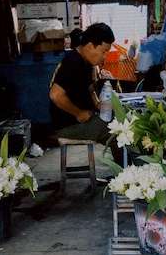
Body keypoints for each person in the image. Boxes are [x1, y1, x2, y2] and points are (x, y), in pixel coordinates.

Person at [49, 23, 118, 156]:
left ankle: (125, 170)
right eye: (103, 52)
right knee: (117, 131)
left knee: (118, 119)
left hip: (83, 120)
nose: (104, 57)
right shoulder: (73, 62)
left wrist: (98, 103)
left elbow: (90, 88)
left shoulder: (85, 62)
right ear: (91, 46)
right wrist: (78, 113)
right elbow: (55, 95)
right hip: (68, 127)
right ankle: (125, 173)